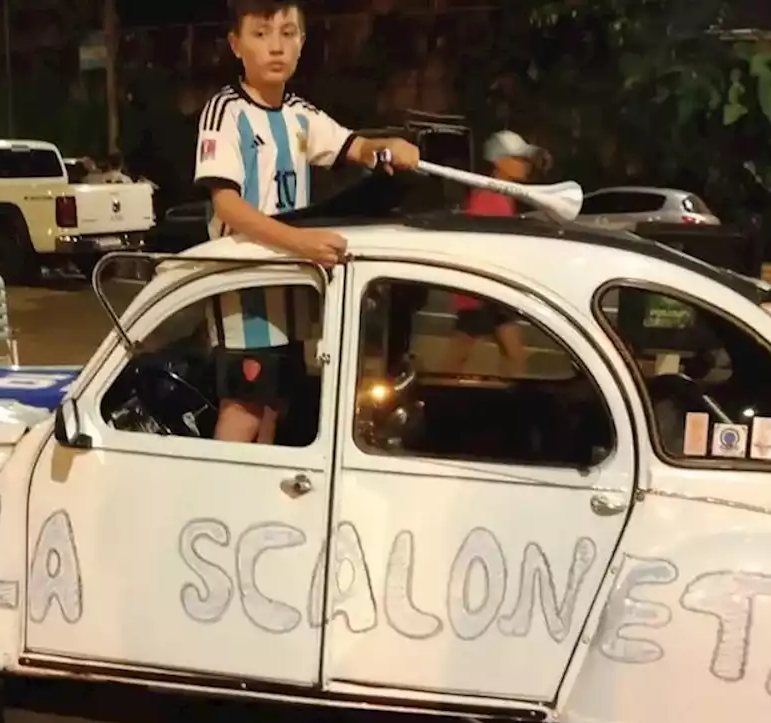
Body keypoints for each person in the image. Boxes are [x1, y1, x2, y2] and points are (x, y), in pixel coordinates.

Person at [195, 0, 421, 444]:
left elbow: (356, 147)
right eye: (261, 34)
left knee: (275, 406)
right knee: (243, 409)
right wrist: (299, 243)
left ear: (302, 43)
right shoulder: (225, 112)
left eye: (287, 33)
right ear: (235, 44)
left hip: (291, 288)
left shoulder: (301, 114)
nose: (276, 47)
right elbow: (228, 206)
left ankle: (258, 505)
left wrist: (392, 144)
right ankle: (223, 504)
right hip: (244, 290)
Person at [446, 131, 544, 376]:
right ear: (499, 161)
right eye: (519, 159)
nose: (526, 166)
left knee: (512, 355)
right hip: (481, 292)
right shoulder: (491, 199)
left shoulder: (496, 196)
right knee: (460, 357)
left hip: (487, 291)